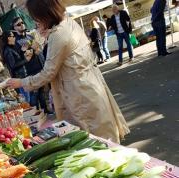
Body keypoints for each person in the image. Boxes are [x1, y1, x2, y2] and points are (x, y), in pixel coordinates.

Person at [7, 0, 129, 144]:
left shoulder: (58, 35)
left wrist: (21, 82)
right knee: (103, 131)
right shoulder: (68, 23)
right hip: (89, 84)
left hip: (79, 92)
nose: (35, 22)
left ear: (44, 15)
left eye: (36, 19)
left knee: (94, 138)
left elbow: (48, 73)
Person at [1, 30, 30, 102]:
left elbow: (17, 60)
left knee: (27, 99)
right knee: (26, 101)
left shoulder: (11, 48)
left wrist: (22, 51)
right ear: (8, 38)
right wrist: (26, 60)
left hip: (21, 78)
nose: (14, 38)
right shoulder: (8, 50)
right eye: (13, 36)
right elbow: (13, 65)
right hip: (18, 79)